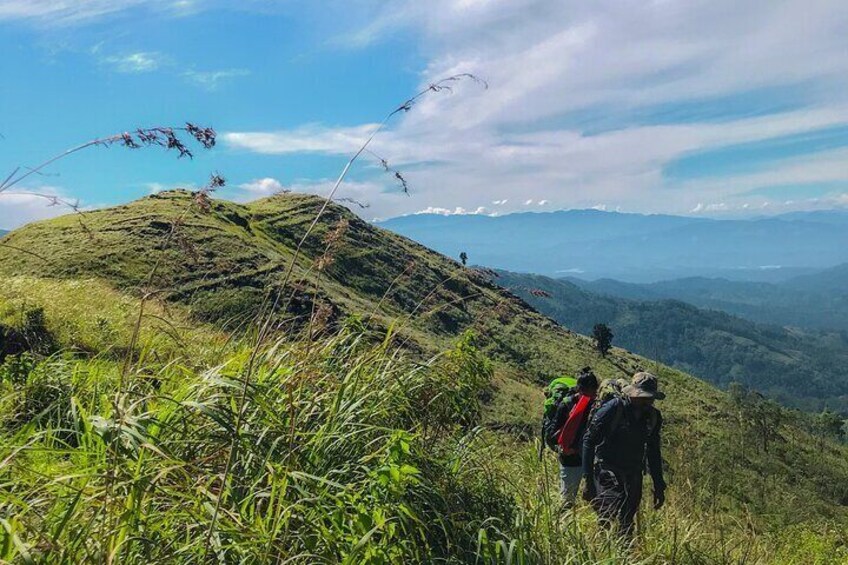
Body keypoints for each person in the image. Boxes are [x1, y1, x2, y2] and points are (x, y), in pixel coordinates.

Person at [581, 372, 666, 537]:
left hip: (633, 473)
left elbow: (653, 451)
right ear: (632, 393)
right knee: (608, 513)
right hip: (607, 468)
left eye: (650, 398)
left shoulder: (653, 417)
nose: (646, 402)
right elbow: (589, 441)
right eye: (642, 397)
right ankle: (602, 548)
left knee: (627, 518)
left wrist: (659, 485)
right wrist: (588, 480)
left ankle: (624, 553)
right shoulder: (613, 409)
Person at [554, 368, 599, 505]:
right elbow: (553, 434)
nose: (589, 395)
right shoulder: (566, 405)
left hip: (591, 460)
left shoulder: (597, 407)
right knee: (567, 500)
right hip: (571, 459)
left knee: (594, 500)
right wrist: (563, 448)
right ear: (579, 389)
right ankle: (563, 523)